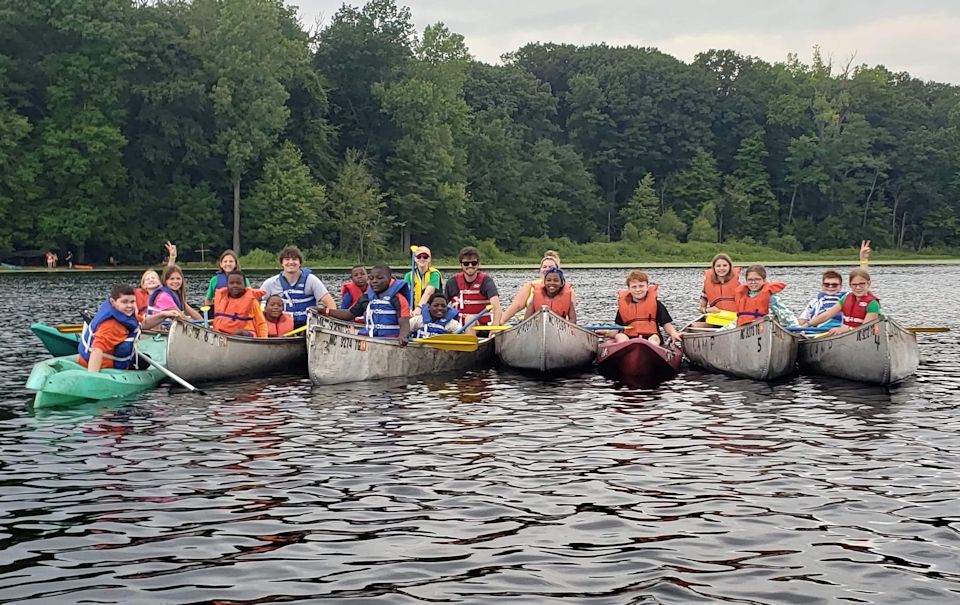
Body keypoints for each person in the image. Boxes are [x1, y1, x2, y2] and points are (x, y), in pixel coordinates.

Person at [78, 283, 181, 372]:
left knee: (144, 360)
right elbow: (97, 350)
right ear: (113, 302)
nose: (129, 306)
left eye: (132, 302)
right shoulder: (111, 325)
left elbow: (144, 324)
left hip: (114, 356)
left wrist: (164, 315)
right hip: (104, 365)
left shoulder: (125, 315)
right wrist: (92, 377)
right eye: (125, 302)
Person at [326, 264, 412, 343]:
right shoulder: (366, 297)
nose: (374, 281)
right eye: (371, 278)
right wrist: (326, 311)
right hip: (371, 338)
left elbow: (404, 323)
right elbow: (348, 314)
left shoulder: (398, 298)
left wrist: (402, 337)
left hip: (391, 338)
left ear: (390, 278)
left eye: (380, 278)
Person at [797, 240, 872, 328]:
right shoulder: (814, 302)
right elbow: (801, 321)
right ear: (822, 285)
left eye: (834, 285)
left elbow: (863, 280)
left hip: (840, 328)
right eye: (827, 284)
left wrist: (863, 260)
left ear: (840, 286)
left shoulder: (848, 297)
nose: (830, 287)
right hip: (817, 330)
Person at [260, 245, 335, 329]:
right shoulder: (271, 283)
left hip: (307, 325)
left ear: (300, 263)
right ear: (282, 263)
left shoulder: (311, 280)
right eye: (287, 259)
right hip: (283, 326)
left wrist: (331, 323)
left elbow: (329, 302)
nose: (291, 262)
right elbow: (256, 302)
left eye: (294, 259)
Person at [601, 270, 681, 346]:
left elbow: (666, 324)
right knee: (620, 336)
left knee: (654, 338)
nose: (638, 289)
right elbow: (615, 331)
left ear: (647, 287)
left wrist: (674, 333)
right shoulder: (623, 307)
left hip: (651, 337)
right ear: (629, 289)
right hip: (629, 338)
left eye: (641, 286)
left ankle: (651, 348)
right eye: (634, 287)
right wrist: (603, 332)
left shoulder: (657, 305)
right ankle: (625, 348)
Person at [808, 268, 880, 336]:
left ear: (868, 283)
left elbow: (865, 328)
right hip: (845, 334)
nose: (858, 288)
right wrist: (807, 324)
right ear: (850, 285)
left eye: (862, 284)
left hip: (856, 335)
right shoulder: (845, 299)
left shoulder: (873, 304)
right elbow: (827, 315)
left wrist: (847, 330)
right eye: (854, 285)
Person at [443, 246, 502, 328]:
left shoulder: (486, 282)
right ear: (461, 265)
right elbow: (442, 305)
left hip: (480, 328)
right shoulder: (452, 283)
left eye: (473, 263)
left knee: (470, 320)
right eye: (466, 263)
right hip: (456, 328)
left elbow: (497, 307)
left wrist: (495, 327)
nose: (470, 266)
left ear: (478, 264)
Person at [501, 251, 560, 324]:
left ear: (558, 271)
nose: (547, 269)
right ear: (540, 270)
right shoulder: (530, 286)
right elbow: (517, 306)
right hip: (531, 324)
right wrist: (500, 322)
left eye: (551, 267)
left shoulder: (565, 288)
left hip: (555, 325)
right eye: (544, 267)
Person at [212, 271, 267, 337]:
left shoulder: (252, 301)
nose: (235, 285)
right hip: (222, 334)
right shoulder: (221, 298)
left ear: (245, 285)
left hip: (246, 335)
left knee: (239, 333)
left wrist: (263, 339)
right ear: (227, 285)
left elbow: (261, 323)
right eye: (231, 283)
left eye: (238, 283)